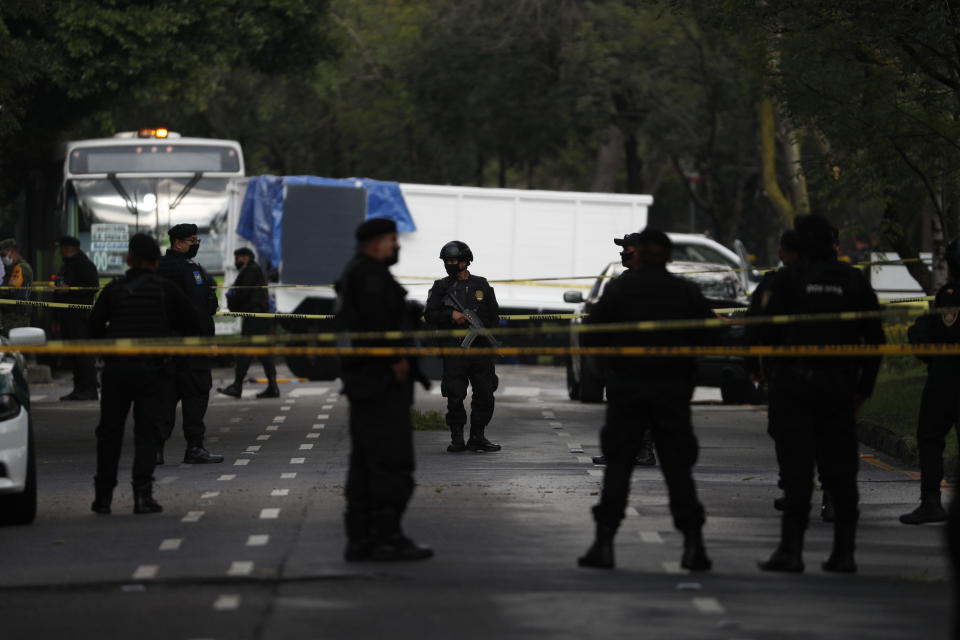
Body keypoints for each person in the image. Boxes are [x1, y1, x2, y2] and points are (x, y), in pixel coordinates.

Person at [752, 214, 884, 574]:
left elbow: (762, 330)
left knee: (796, 472)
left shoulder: (786, 279)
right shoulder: (854, 280)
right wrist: (862, 389)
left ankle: (791, 551)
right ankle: (844, 553)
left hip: (795, 386)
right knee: (841, 472)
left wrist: (772, 369)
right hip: (838, 388)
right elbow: (875, 340)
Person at [578, 228, 715, 572]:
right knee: (678, 471)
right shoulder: (685, 292)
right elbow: (710, 335)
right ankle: (693, 546)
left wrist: (609, 368)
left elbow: (592, 336)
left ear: (637, 255)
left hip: (627, 392)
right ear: (669, 256)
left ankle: (605, 544)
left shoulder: (621, 289)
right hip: (671, 393)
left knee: (618, 470)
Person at [335, 218, 432, 562]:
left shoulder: (357, 274)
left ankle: (361, 539)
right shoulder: (370, 277)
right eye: (392, 240)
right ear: (375, 243)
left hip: (366, 386)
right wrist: (396, 361)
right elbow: (377, 326)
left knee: (365, 465)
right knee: (391, 463)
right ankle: (386, 537)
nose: (397, 246)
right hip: (381, 386)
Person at [88, 234, 201, 515]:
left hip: (117, 372)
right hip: (153, 372)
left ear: (129, 260)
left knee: (109, 433)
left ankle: (103, 497)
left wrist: (111, 347)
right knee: (147, 433)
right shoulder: (165, 290)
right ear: (155, 262)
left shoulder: (113, 290)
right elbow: (193, 323)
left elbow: (92, 329)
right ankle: (142, 495)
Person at [750, 229, 833, 520]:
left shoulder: (778, 282)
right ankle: (832, 498)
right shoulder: (847, 280)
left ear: (783, 252)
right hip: (833, 375)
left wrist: (758, 367)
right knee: (827, 435)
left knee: (790, 437)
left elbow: (757, 328)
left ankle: (794, 496)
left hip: (789, 376)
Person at [899, 237, 960, 525]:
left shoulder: (951, 294)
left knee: (931, 438)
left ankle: (931, 501)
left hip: (947, 377)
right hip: (946, 375)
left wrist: (920, 331)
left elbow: (943, 334)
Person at [425, 241, 502, 453]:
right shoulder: (441, 287)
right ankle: (457, 438)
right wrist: (451, 315)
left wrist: (490, 338)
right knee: (455, 394)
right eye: (446, 261)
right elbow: (430, 314)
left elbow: (494, 316)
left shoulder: (482, 285)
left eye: (453, 261)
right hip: (455, 350)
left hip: (480, 350)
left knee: (485, 394)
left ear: (466, 262)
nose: (449, 264)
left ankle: (478, 436)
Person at [157, 224, 223, 465]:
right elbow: (200, 309)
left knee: (164, 397)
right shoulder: (190, 271)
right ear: (178, 243)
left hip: (163, 347)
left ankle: (156, 450)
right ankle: (194, 447)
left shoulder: (157, 268)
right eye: (192, 240)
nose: (196, 244)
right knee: (195, 394)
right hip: (191, 346)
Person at [217, 247, 279, 399]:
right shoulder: (254, 269)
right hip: (262, 316)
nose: (235, 262)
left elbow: (243, 293)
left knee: (246, 350)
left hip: (256, 316)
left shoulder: (250, 270)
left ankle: (237, 385)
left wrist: (232, 298)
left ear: (244, 258)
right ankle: (273, 386)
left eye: (236, 258)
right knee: (263, 352)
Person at [54, 235, 100, 401]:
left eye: (62, 247)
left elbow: (92, 287)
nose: (60, 251)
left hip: (79, 316)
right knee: (73, 354)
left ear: (68, 248)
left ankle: (89, 388)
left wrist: (71, 290)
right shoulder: (66, 265)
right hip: (67, 316)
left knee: (82, 353)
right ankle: (79, 388)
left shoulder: (84, 265)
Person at [0, 238, 33, 335]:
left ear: (12, 251)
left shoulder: (21, 267)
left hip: (16, 317)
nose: (2, 258)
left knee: (13, 347)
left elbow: (10, 290)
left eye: (3, 255)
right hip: (11, 315)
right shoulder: (12, 268)